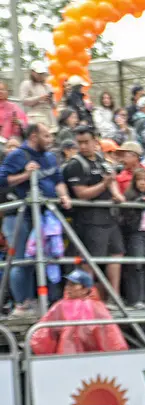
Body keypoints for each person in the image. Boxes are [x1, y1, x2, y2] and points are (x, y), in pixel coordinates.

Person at [0, 123, 72, 315]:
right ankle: (21, 304)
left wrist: (63, 196)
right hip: (18, 217)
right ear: (33, 136)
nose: (50, 140)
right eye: (46, 136)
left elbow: (58, 180)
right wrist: (25, 175)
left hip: (42, 216)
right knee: (21, 260)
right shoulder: (17, 155)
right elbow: (2, 179)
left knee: (40, 259)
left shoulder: (50, 157)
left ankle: (38, 301)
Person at [63, 126, 126, 296]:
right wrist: (104, 185)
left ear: (95, 142)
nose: (83, 146)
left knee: (116, 254)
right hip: (90, 220)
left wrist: (116, 193)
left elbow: (110, 178)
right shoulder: (75, 165)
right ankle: (86, 297)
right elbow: (81, 194)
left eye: (86, 142)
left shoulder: (101, 159)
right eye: (80, 143)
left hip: (109, 218)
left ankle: (115, 297)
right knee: (90, 260)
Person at [29, 269, 129, 355]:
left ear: (85, 289)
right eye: (67, 284)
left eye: (73, 284)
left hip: (92, 359)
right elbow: (43, 335)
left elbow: (111, 336)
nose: (68, 287)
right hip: (66, 359)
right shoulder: (60, 305)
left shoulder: (97, 307)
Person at [120, 168, 145, 309]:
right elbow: (125, 217)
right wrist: (138, 203)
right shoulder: (129, 195)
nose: (142, 183)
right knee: (136, 266)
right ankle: (136, 299)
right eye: (139, 180)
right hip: (135, 234)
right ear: (134, 182)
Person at [19, 62, 56, 131]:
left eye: (42, 74)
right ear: (32, 72)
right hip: (34, 117)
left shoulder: (48, 86)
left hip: (49, 117)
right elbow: (23, 101)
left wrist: (50, 100)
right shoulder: (26, 84)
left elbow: (54, 106)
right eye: (39, 73)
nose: (41, 76)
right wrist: (39, 98)